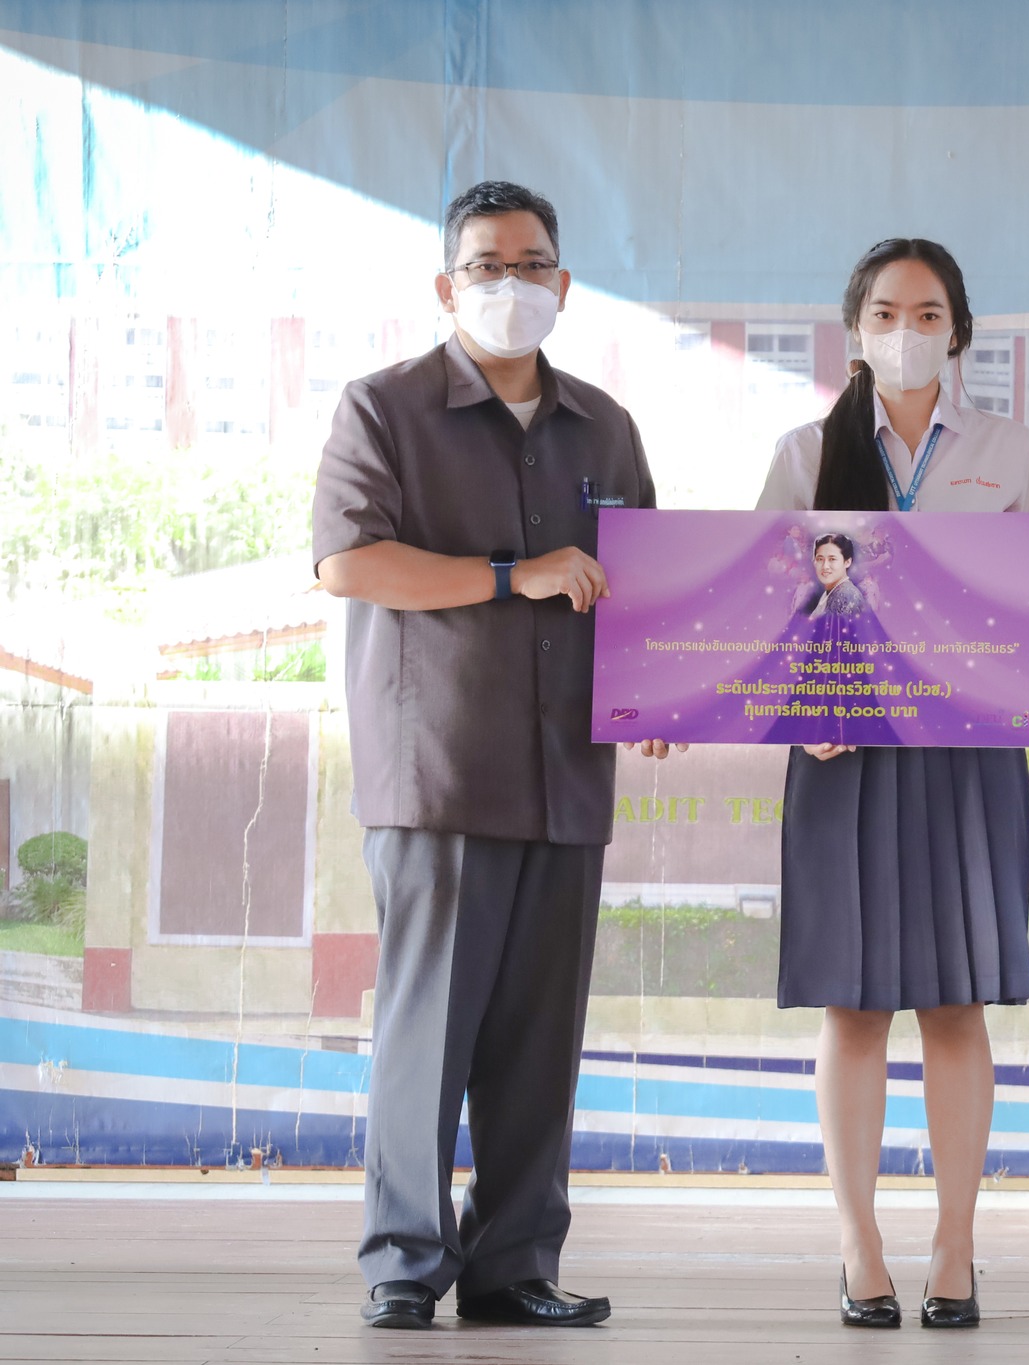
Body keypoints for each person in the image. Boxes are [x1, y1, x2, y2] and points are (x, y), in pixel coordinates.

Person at [312, 180, 676, 1331]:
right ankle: (404, 1264)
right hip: (442, 772)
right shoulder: (384, 410)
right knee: (429, 1030)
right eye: (485, 265)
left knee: (535, 1041)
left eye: (530, 264)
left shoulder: (605, 426)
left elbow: (649, 583)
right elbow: (349, 564)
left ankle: (514, 1264)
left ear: (563, 285)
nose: (508, 284)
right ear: (445, 283)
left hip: (570, 769)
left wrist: (657, 681)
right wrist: (514, 574)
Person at [756, 237, 1029, 1330]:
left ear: (958, 330)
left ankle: (955, 1245)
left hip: (965, 758)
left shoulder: (1007, 449)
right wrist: (798, 711)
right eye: (884, 313)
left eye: (926, 313)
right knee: (853, 1007)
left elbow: (1023, 606)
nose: (905, 332)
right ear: (854, 330)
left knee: (955, 1003)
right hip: (840, 757)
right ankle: (858, 1245)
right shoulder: (804, 448)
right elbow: (763, 604)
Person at [805, 532, 867, 618]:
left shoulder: (846, 596)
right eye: (820, 559)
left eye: (832, 559)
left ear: (847, 562)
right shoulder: (832, 592)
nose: (825, 566)